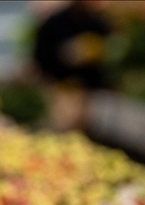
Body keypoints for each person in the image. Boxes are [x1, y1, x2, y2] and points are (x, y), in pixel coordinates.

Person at [32, 0, 111, 130]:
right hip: (60, 91)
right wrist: (65, 55)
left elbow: (110, 62)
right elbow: (40, 58)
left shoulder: (98, 24)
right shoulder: (54, 24)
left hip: (91, 94)